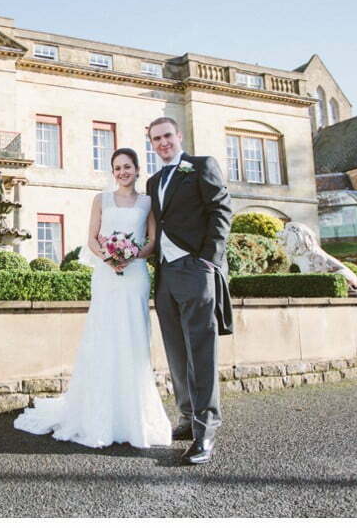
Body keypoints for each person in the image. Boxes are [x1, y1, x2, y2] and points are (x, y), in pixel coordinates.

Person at [13, 147, 172, 448]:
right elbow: (91, 238)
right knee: (104, 336)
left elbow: (152, 240)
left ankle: (133, 414)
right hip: (106, 274)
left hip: (135, 275)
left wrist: (133, 254)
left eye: (127, 166)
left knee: (134, 337)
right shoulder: (101, 199)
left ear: (138, 169)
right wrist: (109, 258)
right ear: (113, 172)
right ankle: (99, 413)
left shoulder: (148, 202)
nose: (123, 172)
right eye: (117, 168)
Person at [145, 116, 233, 465]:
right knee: (175, 350)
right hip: (166, 274)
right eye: (156, 139)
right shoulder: (153, 181)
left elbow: (221, 210)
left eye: (167, 136)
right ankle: (186, 417)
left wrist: (209, 260)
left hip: (196, 269)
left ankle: (206, 429)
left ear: (178, 136)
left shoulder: (200, 166)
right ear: (151, 144)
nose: (163, 142)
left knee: (201, 350)